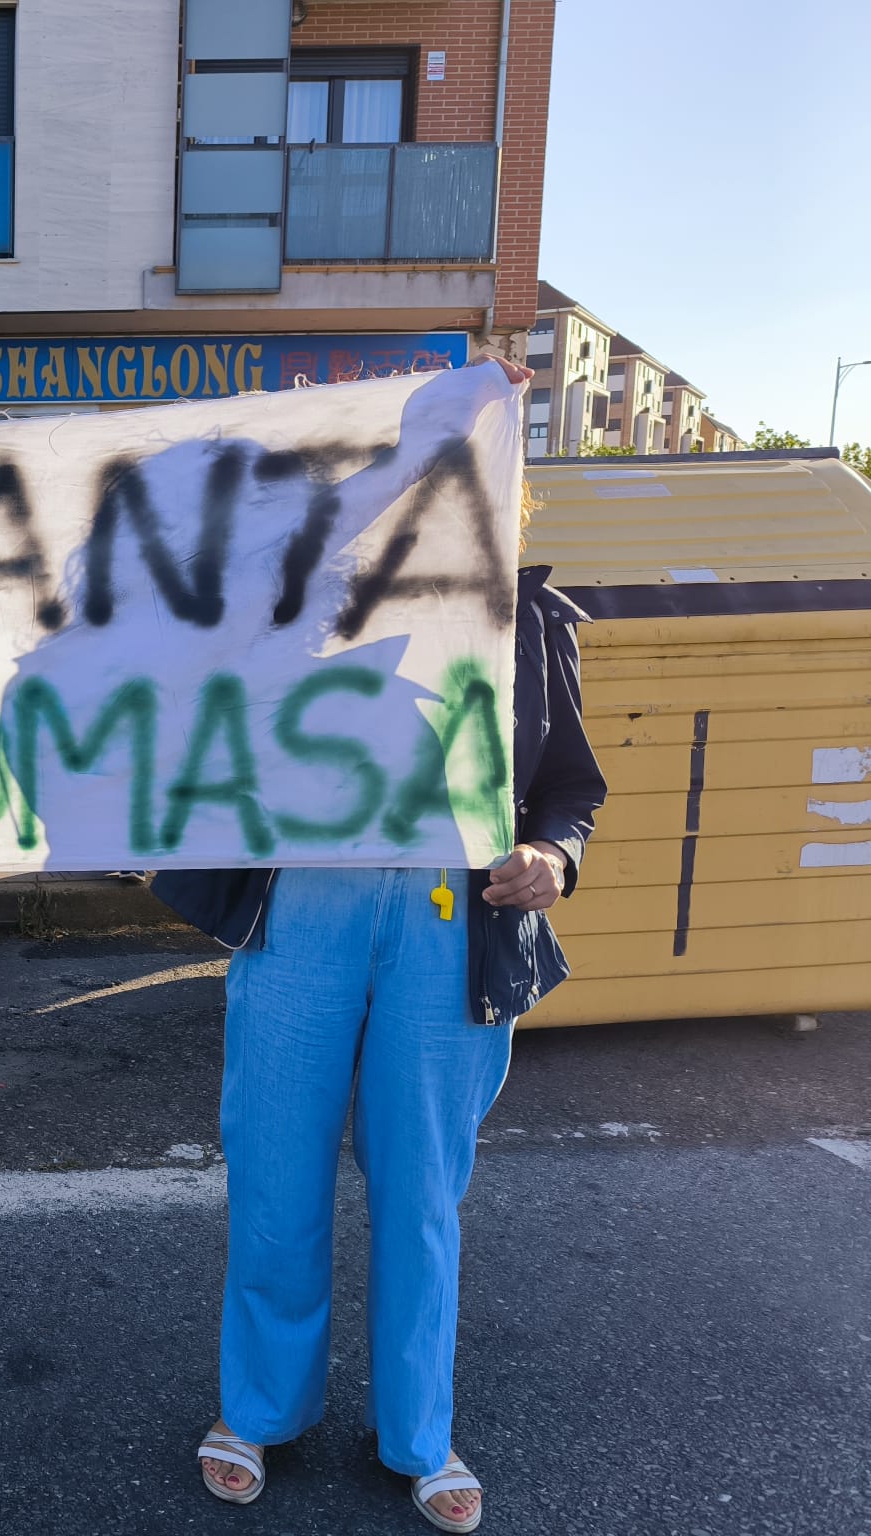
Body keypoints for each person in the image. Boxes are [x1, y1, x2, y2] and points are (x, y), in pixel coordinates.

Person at [156, 358, 606, 1534]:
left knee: (418, 1196)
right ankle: (254, 1408)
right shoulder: (290, 596)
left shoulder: (527, 620)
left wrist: (552, 858)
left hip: (447, 923)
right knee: (273, 1176)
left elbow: (569, 788)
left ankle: (418, 1430)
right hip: (299, 905)